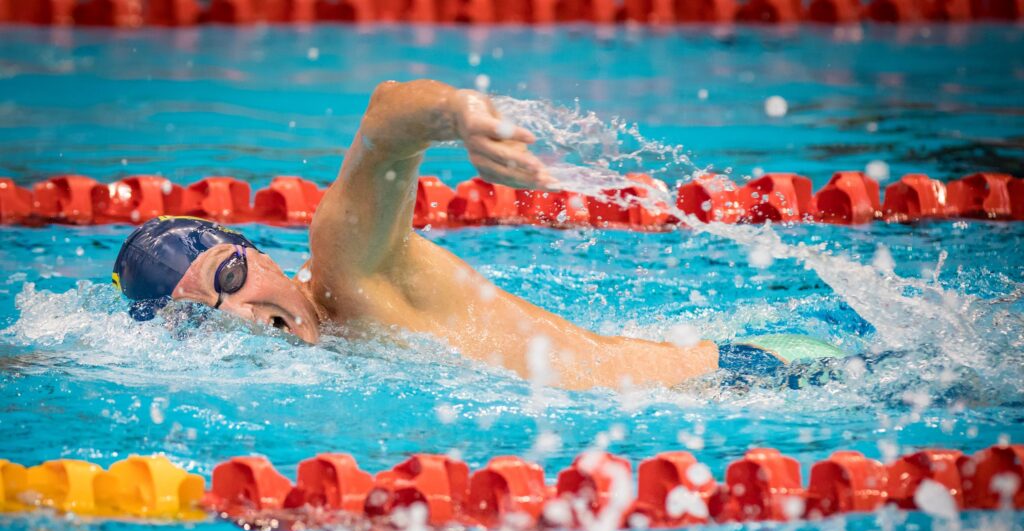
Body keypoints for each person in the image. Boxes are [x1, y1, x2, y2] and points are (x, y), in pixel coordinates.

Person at [113, 79, 843, 391]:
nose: (237, 315)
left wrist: (459, 116)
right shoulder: (316, 356)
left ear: (256, 254)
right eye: (196, 318)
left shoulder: (346, 272)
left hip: (757, 384)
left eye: (230, 280)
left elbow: (384, 120)